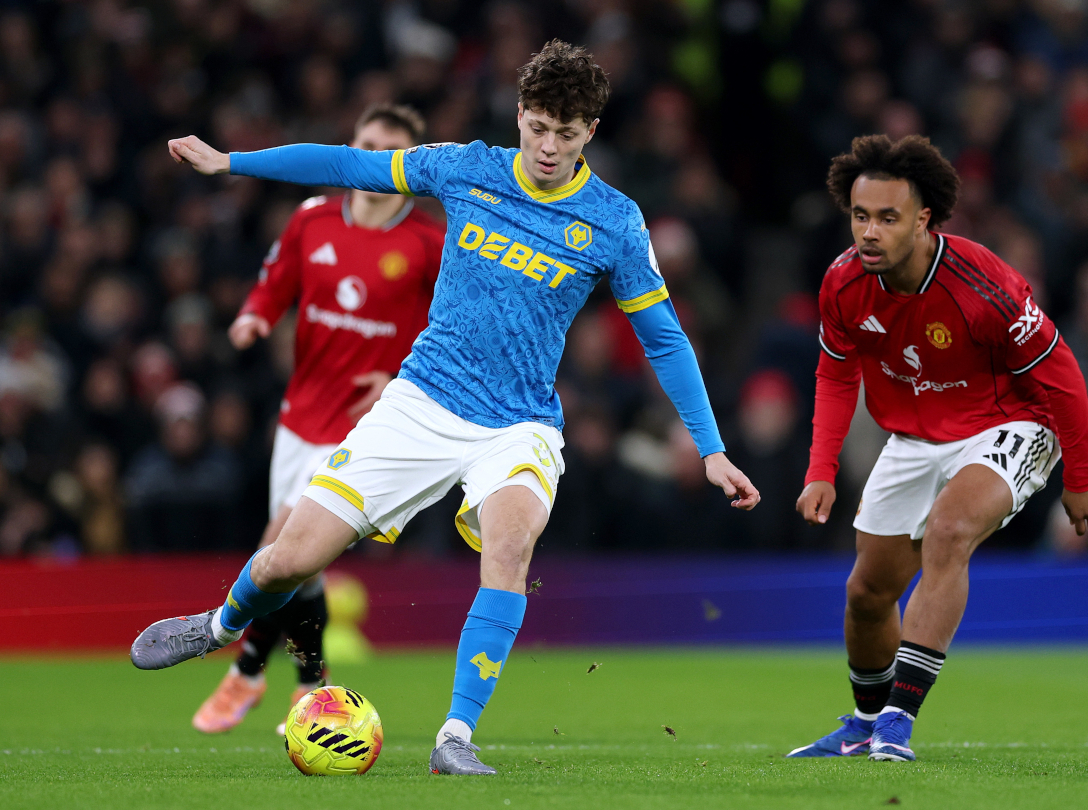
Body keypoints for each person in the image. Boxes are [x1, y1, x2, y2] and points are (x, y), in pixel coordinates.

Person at [130, 40, 759, 774]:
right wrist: (230, 162)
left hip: (520, 424)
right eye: (539, 127)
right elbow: (346, 165)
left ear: (591, 132)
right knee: (292, 560)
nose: (549, 146)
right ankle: (217, 625)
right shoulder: (466, 168)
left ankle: (454, 737)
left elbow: (665, 339)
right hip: (421, 404)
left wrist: (711, 447)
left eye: (568, 132)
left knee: (512, 545)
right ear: (520, 114)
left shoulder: (615, 223)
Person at [787, 135, 1088, 762]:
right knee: (866, 593)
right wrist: (821, 468)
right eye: (859, 216)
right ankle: (863, 722)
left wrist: (1082, 473)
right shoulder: (842, 283)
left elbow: (1061, 373)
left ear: (923, 219)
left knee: (949, 533)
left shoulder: (985, 284)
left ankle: (897, 726)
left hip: (1008, 422)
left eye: (887, 218)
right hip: (913, 437)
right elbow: (834, 374)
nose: (869, 232)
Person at [188, 103, 444, 735]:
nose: (372, 156)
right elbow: (275, 283)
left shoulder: (430, 243)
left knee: (281, 547)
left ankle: (246, 670)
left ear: (404, 164)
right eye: (364, 142)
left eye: (388, 148)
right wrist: (255, 316)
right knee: (298, 567)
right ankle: (311, 685)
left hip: (367, 427)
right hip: (299, 416)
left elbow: (449, 329)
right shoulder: (312, 220)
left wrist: (396, 377)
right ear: (351, 146)